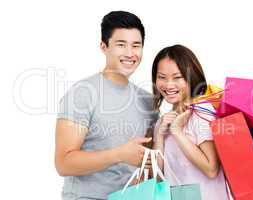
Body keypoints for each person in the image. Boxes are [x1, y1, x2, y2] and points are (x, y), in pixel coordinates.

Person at [55, 11, 157, 200]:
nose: (129, 53)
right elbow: (63, 163)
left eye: (136, 45)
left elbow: (149, 162)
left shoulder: (148, 102)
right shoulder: (83, 93)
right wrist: (119, 154)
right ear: (104, 46)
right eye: (121, 45)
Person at [152, 45, 229, 199]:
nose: (168, 84)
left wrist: (177, 132)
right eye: (162, 77)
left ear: (191, 76)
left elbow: (211, 169)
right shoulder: (162, 122)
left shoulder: (202, 113)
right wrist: (160, 135)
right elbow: (157, 179)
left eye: (177, 77)